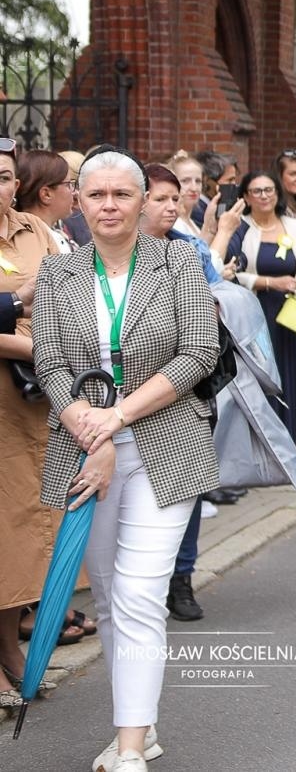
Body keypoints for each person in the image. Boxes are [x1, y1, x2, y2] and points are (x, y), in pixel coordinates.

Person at [32, 148, 220, 772]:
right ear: (79, 203)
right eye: (96, 195)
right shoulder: (60, 275)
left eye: (122, 194)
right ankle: (139, 723)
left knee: (140, 595)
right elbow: (51, 364)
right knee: (111, 597)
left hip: (166, 446)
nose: (108, 205)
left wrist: (116, 418)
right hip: (84, 451)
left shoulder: (178, 264)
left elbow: (196, 355)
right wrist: (90, 427)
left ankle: (131, 750)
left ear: (143, 202)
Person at [2, 137, 92, 705]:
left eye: (7, 175)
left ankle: (10, 646)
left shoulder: (35, 232)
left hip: (38, 405)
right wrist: (30, 346)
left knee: (28, 529)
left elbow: (68, 294)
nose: (1, 185)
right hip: (4, 396)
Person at [139, 164, 216, 622]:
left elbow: (211, 307)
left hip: (189, 388)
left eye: (176, 198)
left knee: (186, 487)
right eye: (161, 198)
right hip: (132, 395)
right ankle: (148, 580)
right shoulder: (108, 254)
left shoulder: (189, 250)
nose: (172, 205)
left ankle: (181, 579)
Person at [221, 171, 296, 455]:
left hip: (289, 311)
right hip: (255, 311)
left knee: (292, 372)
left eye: (269, 190)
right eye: (257, 191)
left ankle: (294, 438)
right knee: (261, 374)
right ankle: (263, 443)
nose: (264, 196)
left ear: (277, 193)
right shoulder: (242, 228)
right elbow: (231, 273)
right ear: (247, 197)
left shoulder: (294, 226)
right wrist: (267, 282)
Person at [16, 148, 76, 253]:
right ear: (46, 194)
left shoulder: (52, 233)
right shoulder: (32, 244)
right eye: (68, 184)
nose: (75, 192)